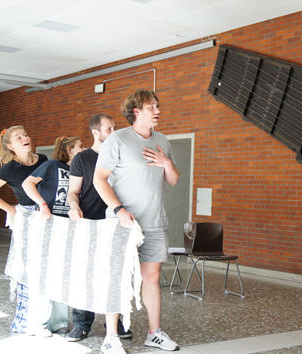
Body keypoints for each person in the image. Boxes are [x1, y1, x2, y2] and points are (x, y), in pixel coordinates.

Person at [94, 89, 180, 353]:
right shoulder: (117, 139)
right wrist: (118, 209)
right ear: (136, 111)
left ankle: (154, 333)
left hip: (154, 222)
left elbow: (174, 179)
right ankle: (111, 337)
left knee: (151, 277)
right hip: (123, 223)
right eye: (151, 106)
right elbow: (99, 179)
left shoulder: (163, 140)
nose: (157, 110)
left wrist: (166, 163)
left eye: (157, 105)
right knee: (117, 278)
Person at [66, 113, 132, 343]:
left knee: (116, 275)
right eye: (109, 129)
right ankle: (82, 324)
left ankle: (114, 323)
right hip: (89, 224)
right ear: (96, 132)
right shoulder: (81, 159)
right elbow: (72, 193)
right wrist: (73, 206)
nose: (114, 132)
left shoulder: (121, 156)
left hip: (116, 224)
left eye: (115, 128)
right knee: (84, 275)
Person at [0, 126, 48, 333]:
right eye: (19, 137)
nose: (25, 137)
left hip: (47, 217)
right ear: (10, 146)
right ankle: (27, 320)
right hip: (27, 219)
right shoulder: (10, 168)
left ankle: (45, 319)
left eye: (26, 134)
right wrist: (11, 209)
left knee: (45, 268)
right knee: (28, 270)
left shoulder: (43, 159)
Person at [21, 136, 85, 336]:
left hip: (67, 227)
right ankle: (37, 323)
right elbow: (27, 184)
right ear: (70, 150)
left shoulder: (78, 171)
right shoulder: (51, 165)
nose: (85, 149)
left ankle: (58, 322)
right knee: (42, 274)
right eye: (80, 146)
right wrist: (41, 204)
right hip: (47, 224)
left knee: (62, 275)